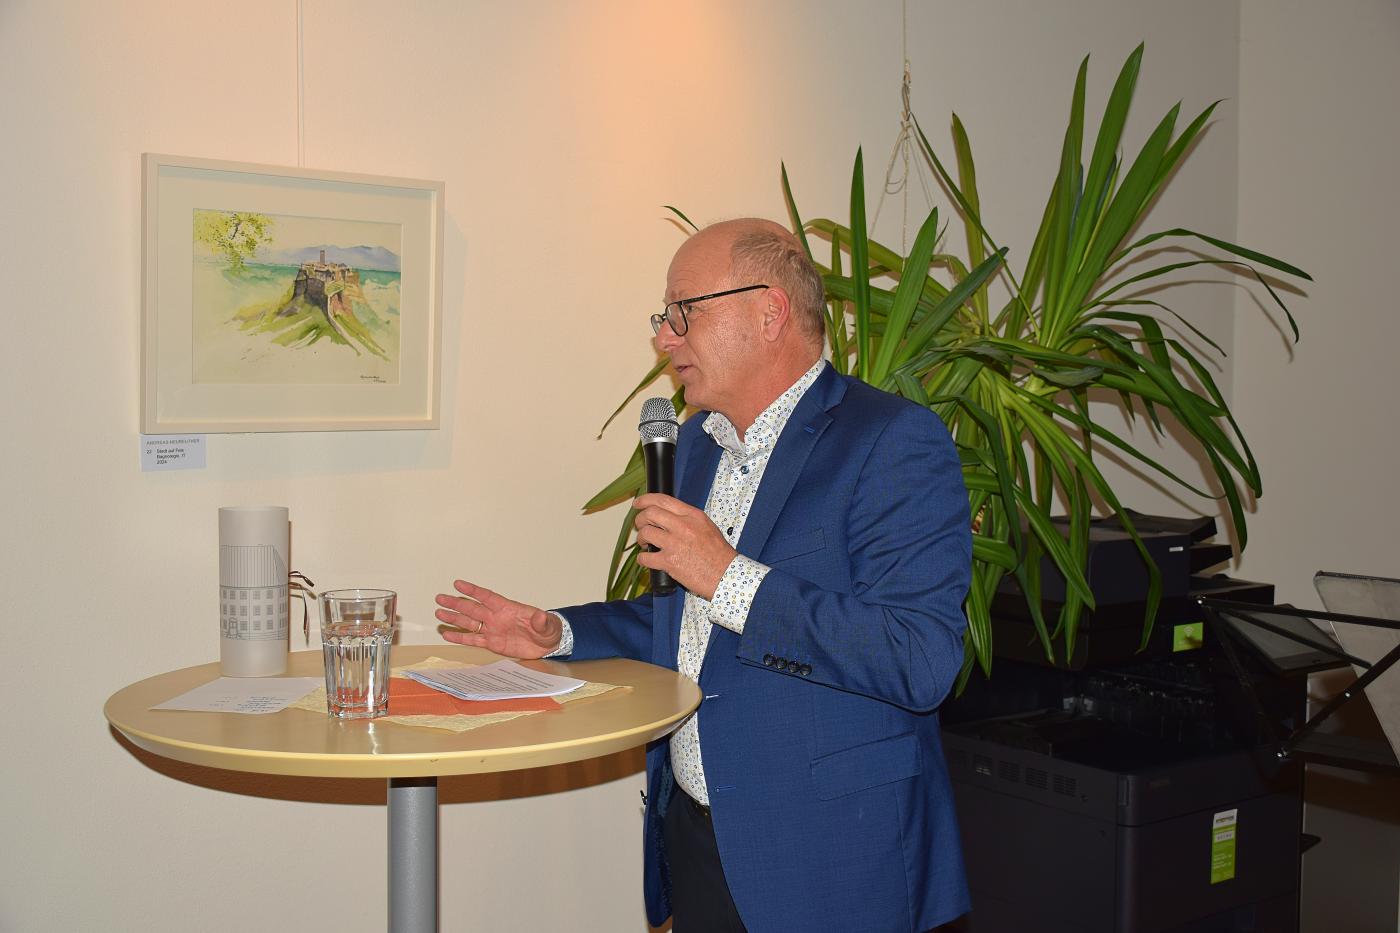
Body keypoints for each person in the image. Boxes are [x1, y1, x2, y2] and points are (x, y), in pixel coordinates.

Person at [436, 218, 972, 932]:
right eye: (664, 316)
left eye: (684, 310)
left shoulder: (891, 440)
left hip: (832, 855)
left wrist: (727, 575)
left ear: (770, 312)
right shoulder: (696, 444)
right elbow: (687, 624)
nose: (665, 337)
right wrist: (555, 632)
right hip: (697, 835)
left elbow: (919, 657)